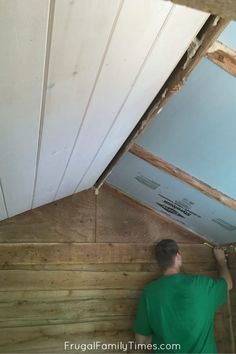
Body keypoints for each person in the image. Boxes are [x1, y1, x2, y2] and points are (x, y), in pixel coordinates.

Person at [132, 239, 233, 353]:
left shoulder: (149, 293)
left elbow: (141, 341)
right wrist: (221, 261)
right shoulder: (201, 285)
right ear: (178, 256)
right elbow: (228, 284)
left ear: (160, 263)